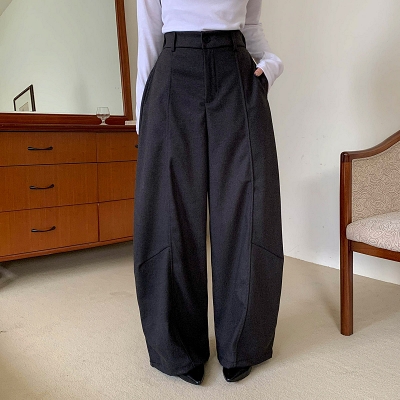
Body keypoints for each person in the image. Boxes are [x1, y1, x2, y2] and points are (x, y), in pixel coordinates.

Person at [134, 0, 284, 385]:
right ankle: (178, 347)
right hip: (173, 70)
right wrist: (143, 117)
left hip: (235, 71)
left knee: (247, 206)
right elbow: (148, 35)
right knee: (170, 214)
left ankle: (242, 343)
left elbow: (251, 28)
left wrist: (270, 67)